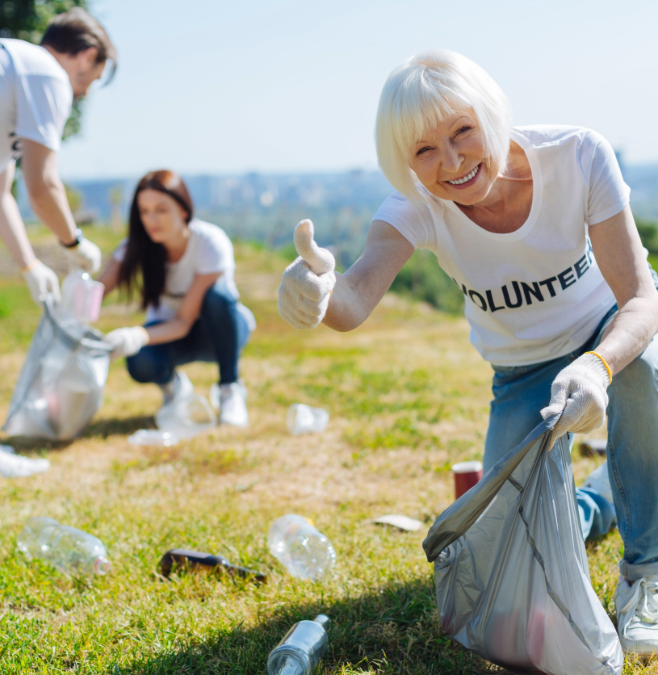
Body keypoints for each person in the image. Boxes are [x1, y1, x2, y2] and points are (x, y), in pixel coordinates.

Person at [278, 50, 658, 657]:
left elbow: (641, 298)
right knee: (503, 557)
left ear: (491, 115)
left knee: (644, 368)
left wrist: (597, 366)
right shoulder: (413, 207)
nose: (451, 162)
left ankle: (647, 573)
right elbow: (353, 299)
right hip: (521, 372)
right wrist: (318, 289)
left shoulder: (577, 155)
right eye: (424, 151)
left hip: (609, 330)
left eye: (462, 132)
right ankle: (596, 505)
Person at [0, 9, 116, 477]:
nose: (81, 93)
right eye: (89, 80)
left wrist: (27, 264)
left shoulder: (4, 72)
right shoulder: (46, 74)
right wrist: (74, 241)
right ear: (85, 56)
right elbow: (42, 186)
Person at [99, 170, 254, 427]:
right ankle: (175, 390)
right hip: (171, 336)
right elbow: (99, 289)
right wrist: (77, 282)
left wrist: (135, 335)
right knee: (140, 361)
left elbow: (183, 322)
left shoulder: (209, 244)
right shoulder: (134, 248)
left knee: (218, 298)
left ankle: (230, 388)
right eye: (144, 211)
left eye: (161, 209)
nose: (151, 220)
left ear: (183, 210)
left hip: (219, 333)